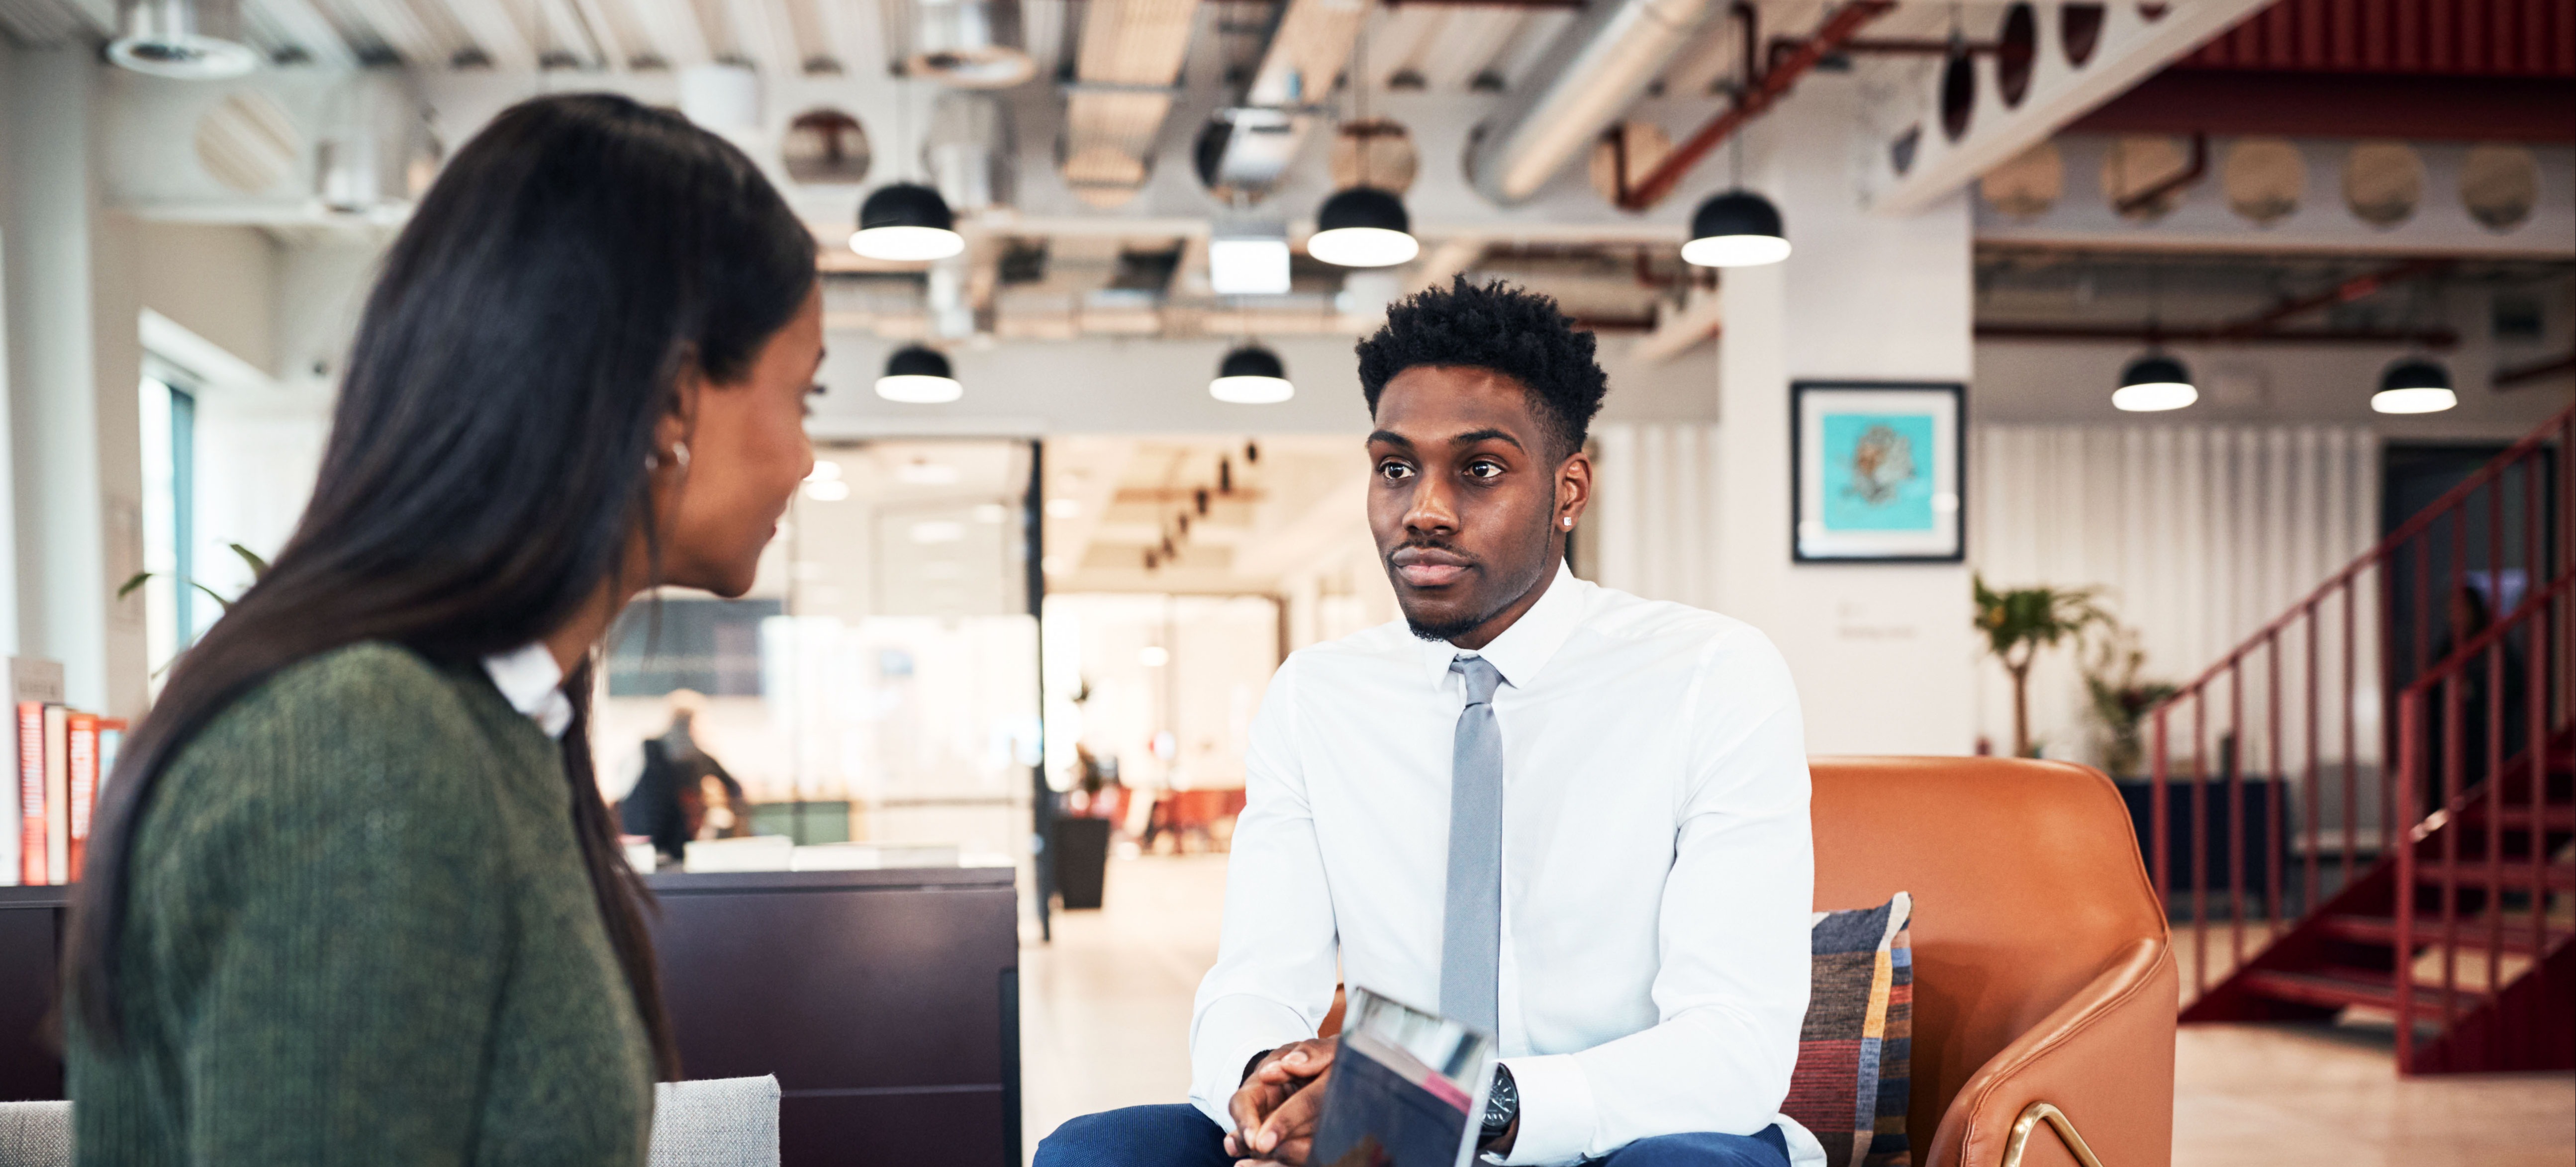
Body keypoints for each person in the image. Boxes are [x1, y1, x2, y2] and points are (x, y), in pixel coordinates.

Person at [64, 92, 821, 1166]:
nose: (803, 457)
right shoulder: (365, 749)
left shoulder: (496, 725)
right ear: (668, 402)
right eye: (803, 393)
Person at [1036, 278, 1817, 1167]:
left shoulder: (1709, 676)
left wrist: (1473, 1105)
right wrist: (1265, 1076)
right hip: (1378, 1136)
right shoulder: (1317, 696)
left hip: (1620, 1131)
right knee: (1092, 1153)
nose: (1424, 509)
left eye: (1478, 469)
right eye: (1395, 467)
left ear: (1569, 491)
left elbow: (1731, 1045)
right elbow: (1257, 976)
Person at [621, 689, 754, 864]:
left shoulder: (655, 751)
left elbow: (734, 788)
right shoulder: (653, 752)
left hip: (663, 845)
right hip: (663, 844)